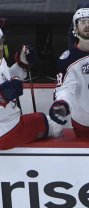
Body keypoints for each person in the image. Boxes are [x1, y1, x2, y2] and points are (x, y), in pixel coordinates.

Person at [0, 22, 62, 150]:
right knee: (53, 124)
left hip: (0, 124)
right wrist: (3, 95)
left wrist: (22, 65)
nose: (0, 47)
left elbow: (5, 80)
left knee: (43, 119)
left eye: (0, 42)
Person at [50, 8, 89, 137]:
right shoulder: (68, 59)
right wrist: (62, 104)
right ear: (75, 28)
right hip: (84, 123)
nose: (87, 25)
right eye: (83, 22)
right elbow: (65, 88)